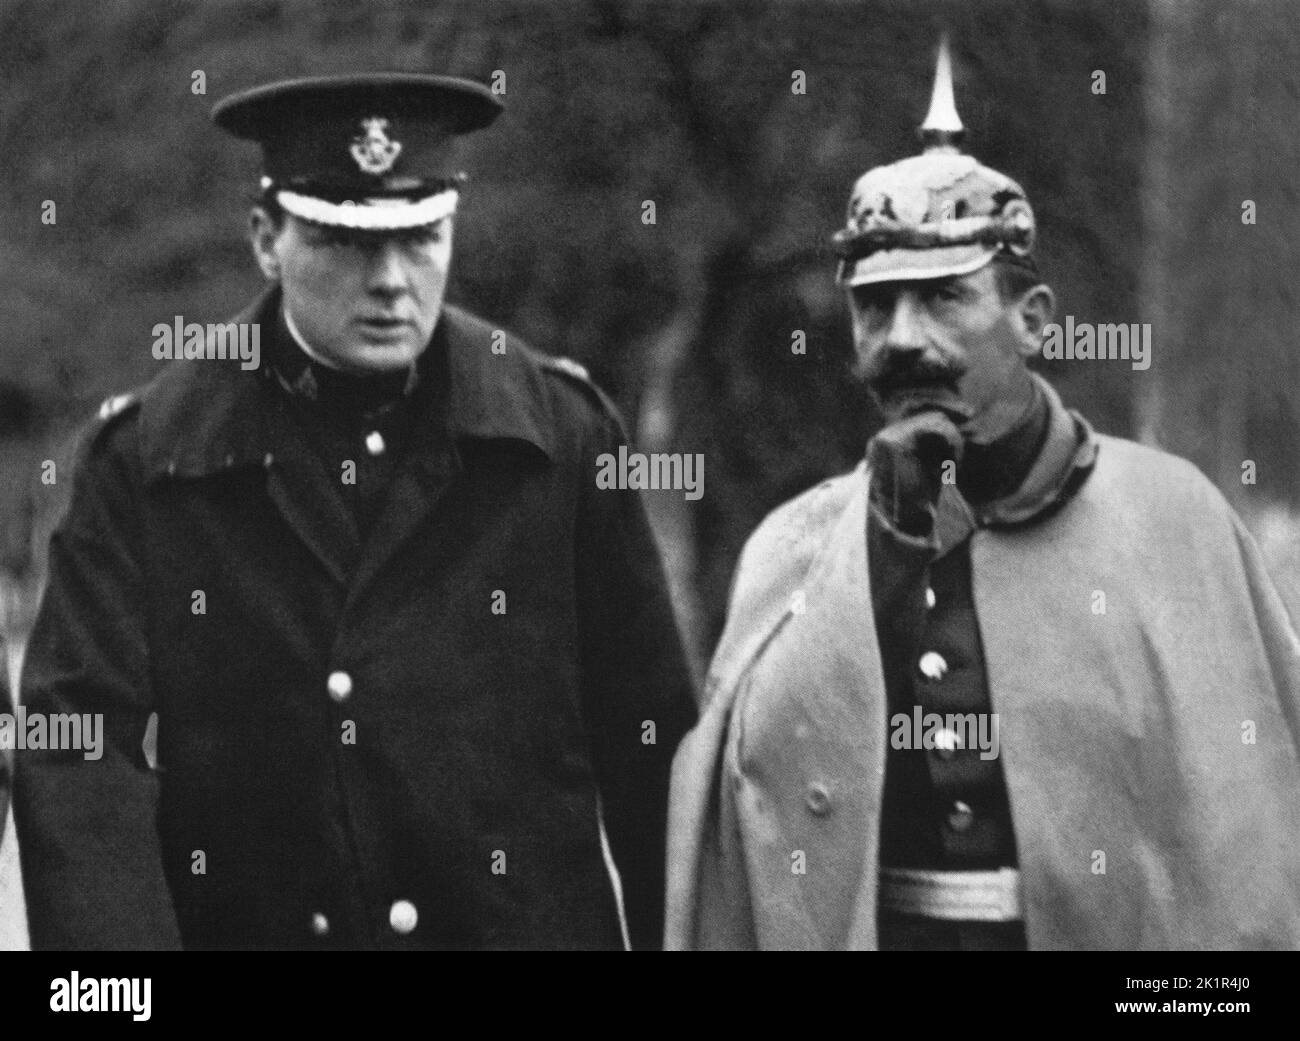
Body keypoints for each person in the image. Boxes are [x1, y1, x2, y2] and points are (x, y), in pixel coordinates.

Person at [14, 73, 695, 950]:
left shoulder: (558, 438)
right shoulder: (151, 461)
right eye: (346, 242)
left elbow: (653, 752)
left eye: (421, 239)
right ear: (268, 239)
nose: (391, 282)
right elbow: (77, 757)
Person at [665, 42, 1300, 950]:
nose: (901, 339)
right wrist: (876, 554)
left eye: (941, 299)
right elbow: (757, 808)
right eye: (874, 308)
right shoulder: (797, 544)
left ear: (1032, 320)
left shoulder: (1174, 521)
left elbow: (1252, 830)